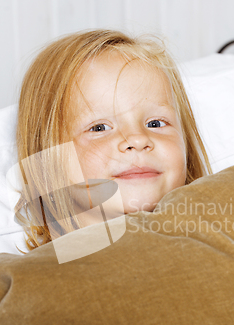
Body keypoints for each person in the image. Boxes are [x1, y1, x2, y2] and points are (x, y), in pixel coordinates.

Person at [13, 29, 212, 253]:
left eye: (155, 123)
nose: (137, 139)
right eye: (99, 128)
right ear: (48, 161)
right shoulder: (28, 278)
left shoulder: (219, 240)